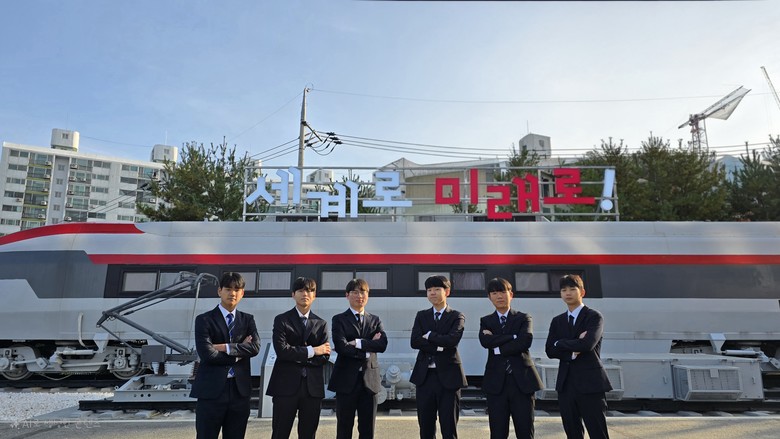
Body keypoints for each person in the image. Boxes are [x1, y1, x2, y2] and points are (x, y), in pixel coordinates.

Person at [190, 272, 260, 439]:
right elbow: (207, 354)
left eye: (237, 289)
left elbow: (255, 348)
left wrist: (224, 347)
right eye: (228, 289)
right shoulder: (204, 320)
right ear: (219, 291)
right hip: (211, 391)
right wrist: (239, 353)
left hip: (239, 392)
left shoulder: (247, 320)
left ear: (242, 293)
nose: (232, 293)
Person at [545, 274, 612, 439]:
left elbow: (587, 345)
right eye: (563, 290)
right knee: (572, 432)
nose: (567, 293)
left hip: (591, 383)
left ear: (582, 292)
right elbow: (550, 350)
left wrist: (560, 343)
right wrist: (573, 346)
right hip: (566, 385)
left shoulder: (594, 316)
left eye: (572, 289)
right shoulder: (557, 321)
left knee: (598, 432)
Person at [266, 277, 331, 439]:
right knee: (280, 433)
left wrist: (297, 353)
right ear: (293, 294)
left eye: (309, 291)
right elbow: (282, 351)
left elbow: (324, 356)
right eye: (301, 290)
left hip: (312, 388)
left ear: (314, 295)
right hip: (285, 386)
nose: (305, 294)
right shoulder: (282, 320)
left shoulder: (321, 323)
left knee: (308, 434)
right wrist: (313, 351)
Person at [479, 277, 543, 439]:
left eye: (502, 292)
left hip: (522, 382)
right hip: (496, 383)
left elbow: (524, 342)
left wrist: (497, 346)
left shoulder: (523, 318)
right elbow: (485, 342)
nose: (499, 296)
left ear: (511, 294)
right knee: (498, 432)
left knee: (525, 431)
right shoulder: (486, 320)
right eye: (494, 293)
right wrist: (512, 336)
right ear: (489, 297)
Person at [328, 278, 389, 439]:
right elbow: (341, 347)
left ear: (368, 295)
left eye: (363, 292)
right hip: (345, 381)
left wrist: (357, 342)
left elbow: (382, 345)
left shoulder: (375, 320)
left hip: (370, 381)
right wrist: (368, 350)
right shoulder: (339, 319)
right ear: (347, 295)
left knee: (368, 429)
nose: (359, 296)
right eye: (355, 292)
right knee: (344, 427)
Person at [410, 275, 467, 439]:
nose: (432, 293)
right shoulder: (422, 315)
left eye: (436, 289)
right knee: (425, 428)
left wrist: (429, 335)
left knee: (449, 428)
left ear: (447, 292)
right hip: (425, 377)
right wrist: (440, 345)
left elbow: (452, 340)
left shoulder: (457, 316)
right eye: (429, 290)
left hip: (449, 378)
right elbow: (415, 341)